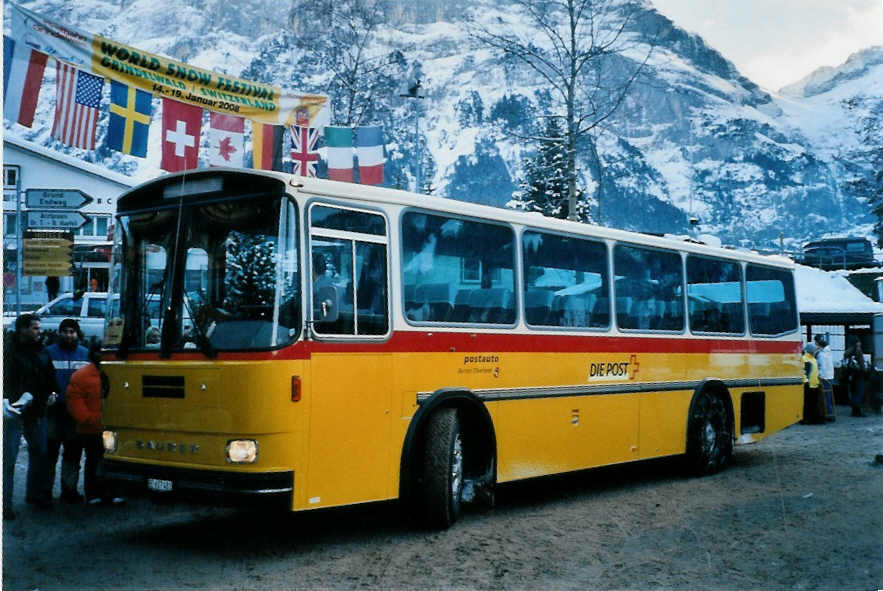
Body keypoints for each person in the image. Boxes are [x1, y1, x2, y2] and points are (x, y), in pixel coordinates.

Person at [3, 313, 59, 519]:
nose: (39, 332)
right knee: (8, 459)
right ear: (23, 329)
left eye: (39, 328)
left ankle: (35, 495)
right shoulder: (8, 350)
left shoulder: (42, 351)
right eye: (35, 328)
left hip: (36, 411)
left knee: (39, 454)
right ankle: (4, 505)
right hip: (13, 412)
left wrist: (53, 393)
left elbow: (50, 377)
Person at [66, 344, 125, 506]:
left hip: (110, 429)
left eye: (104, 352)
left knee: (111, 460)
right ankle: (93, 494)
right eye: (98, 352)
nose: (101, 355)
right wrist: (88, 419)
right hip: (91, 429)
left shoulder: (119, 373)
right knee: (93, 460)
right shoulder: (81, 376)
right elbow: (74, 401)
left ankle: (113, 492)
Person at [46, 318, 90, 503]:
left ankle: (69, 491)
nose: (68, 335)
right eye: (65, 331)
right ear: (59, 333)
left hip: (75, 413)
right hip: (54, 412)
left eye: (72, 331)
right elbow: (42, 379)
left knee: (72, 455)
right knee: (49, 454)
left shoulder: (85, 354)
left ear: (77, 334)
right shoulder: (48, 353)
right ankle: (44, 492)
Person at [814, 334, 836, 421]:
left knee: (824, 396)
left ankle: (827, 414)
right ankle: (830, 413)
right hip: (830, 376)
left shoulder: (821, 355)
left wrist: (818, 375)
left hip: (824, 377)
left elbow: (821, 366)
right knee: (828, 396)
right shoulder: (828, 352)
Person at [801, 342, 825, 424]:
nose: (816, 351)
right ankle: (806, 419)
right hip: (808, 385)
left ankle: (813, 419)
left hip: (814, 384)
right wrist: (805, 381)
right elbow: (803, 372)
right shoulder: (805, 359)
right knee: (807, 403)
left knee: (813, 403)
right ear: (811, 350)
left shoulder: (813, 359)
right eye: (815, 350)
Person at [843, 337, 867, 417]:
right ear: (857, 343)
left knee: (853, 392)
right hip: (859, 374)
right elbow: (861, 364)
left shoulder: (847, 352)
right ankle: (858, 411)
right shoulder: (858, 351)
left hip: (851, 375)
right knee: (859, 392)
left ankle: (854, 411)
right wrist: (864, 371)